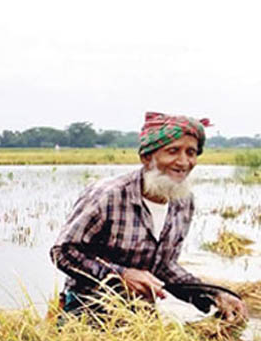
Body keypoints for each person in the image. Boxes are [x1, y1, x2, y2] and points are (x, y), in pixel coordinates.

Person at [51, 111, 248, 322]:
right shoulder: (108, 195)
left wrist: (213, 295)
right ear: (147, 157)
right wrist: (121, 275)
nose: (183, 161)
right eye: (173, 151)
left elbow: (164, 267)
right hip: (87, 310)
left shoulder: (183, 201)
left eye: (191, 152)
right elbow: (62, 252)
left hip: (141, 315)